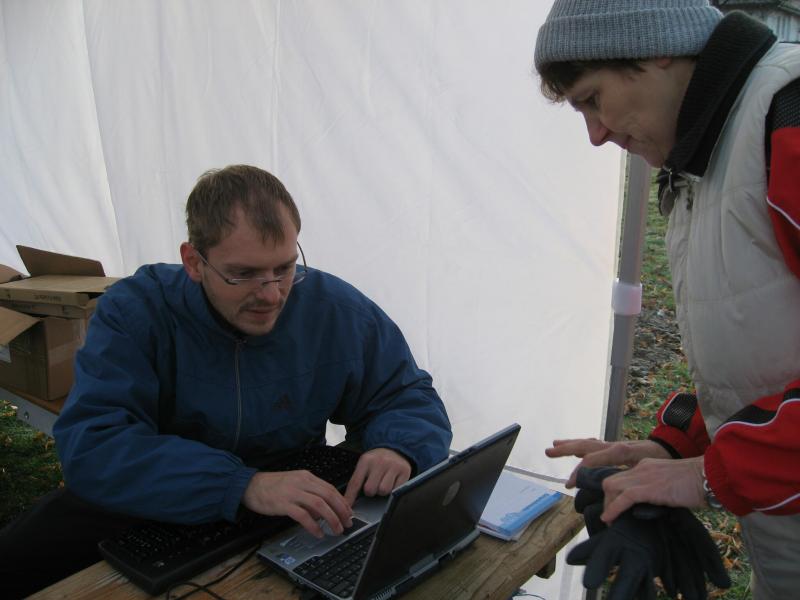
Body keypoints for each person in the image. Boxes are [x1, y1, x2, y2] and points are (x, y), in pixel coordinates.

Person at [0, 164, 452, 598]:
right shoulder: (136, 311)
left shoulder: (331, 308)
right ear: (193, 262)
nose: (271, 294)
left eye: (284, 267)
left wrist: (398, 446)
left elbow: (405, 393)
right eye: (244, 274)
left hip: (289, 500)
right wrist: (241, 485)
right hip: (149, 498)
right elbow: (94, 444)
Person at [534, 1, 800, 598]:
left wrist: (710, 474)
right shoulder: (700, 159)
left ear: (656, 47)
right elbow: (767, 352)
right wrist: (674, 445)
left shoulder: (787, 116)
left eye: (593, 99)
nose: (596, 134)